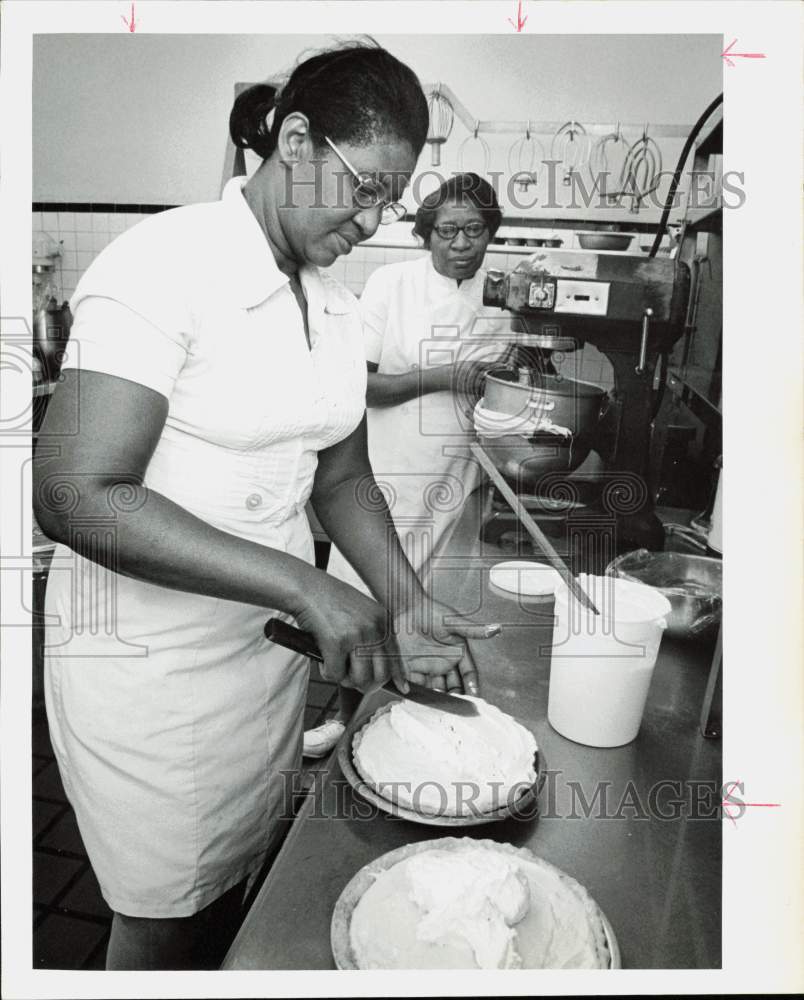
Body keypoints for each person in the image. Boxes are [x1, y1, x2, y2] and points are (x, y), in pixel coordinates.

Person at [33, 42, 496, 970]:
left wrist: (403, 598)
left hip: (265, 663)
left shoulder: (329, 302)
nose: (374, 220)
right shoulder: (161, 266)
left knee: (231, 895)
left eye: (391, 201)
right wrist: (307, 586)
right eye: (366, 189)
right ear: (294, 139)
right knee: (163, 918)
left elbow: (342, 477)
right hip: (155, 674)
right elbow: (72, 492)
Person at [304, 174, 511, 758]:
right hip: (381, 473)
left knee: (426, 606)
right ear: (425, 235)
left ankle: (409, 736)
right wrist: (442, 377)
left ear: (491, 233)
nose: (462, 243)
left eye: (475, 230)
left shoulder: (501, 297)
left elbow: (499, 389)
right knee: (366, 599)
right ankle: (348, 725)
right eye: (447, 230)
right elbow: (361, 384)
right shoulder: (391, 284)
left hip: (456, 475)